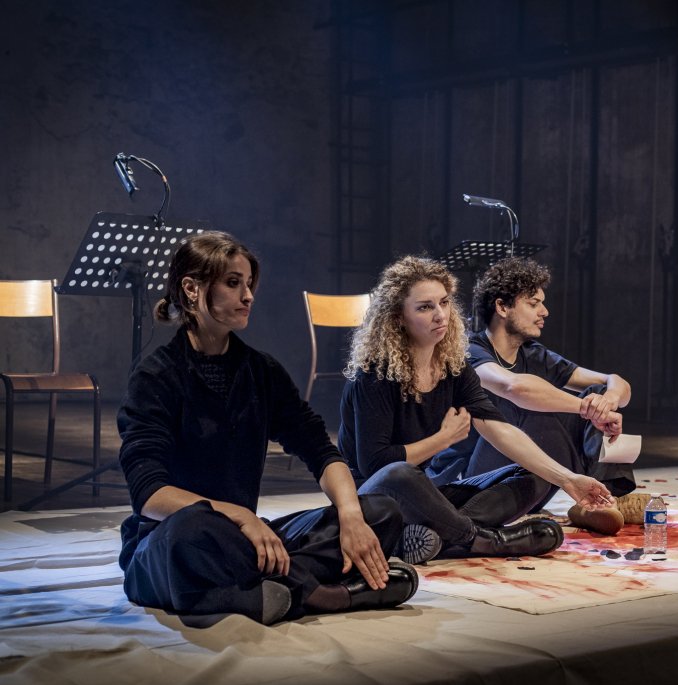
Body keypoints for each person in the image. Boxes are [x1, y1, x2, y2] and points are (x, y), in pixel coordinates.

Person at [117, 232, 417, 627]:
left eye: (248, 284)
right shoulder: (156, 375)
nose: (248, 296)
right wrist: (241, 516)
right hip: (172, 540)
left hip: (245, 540)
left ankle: (265, 591)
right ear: (191, 289)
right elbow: (149, 493)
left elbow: (319, 448)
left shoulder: (261, 371)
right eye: (233, 283)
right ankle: (325, 595)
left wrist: (350, 516)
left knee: (381, 511)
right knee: (190, 535)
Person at [339, 255, 614, 564]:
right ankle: (486, 540)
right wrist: (443, 439)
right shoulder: (374, 376)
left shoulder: (453, 367)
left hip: (424, 493)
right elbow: (377, 464)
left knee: (534, 474)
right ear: (398, 317)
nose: (440, 315)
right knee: (400, 473)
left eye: (444, 302)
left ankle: (439, 538)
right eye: (425, 307)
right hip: (372, 501)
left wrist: (567, 479)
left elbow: (498, 428)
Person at [449, 257, 636, 534]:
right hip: (476, 481)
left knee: (597, 393)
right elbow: (514, 387)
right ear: (502, 307)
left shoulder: (534, 354)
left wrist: (607, 401)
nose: (545, 311)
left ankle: (603, 497)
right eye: (533, 303)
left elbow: (616, 383)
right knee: (526, 404)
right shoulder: (471, 351)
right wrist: (587, 408)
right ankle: (594, 499)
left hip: (532, 477)